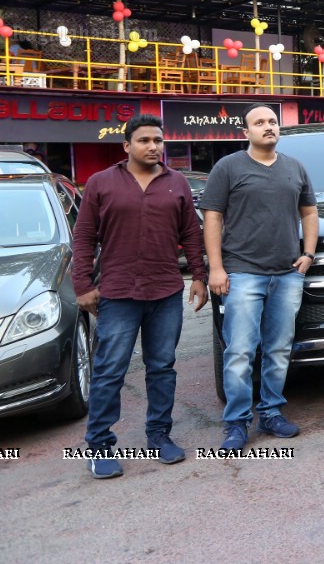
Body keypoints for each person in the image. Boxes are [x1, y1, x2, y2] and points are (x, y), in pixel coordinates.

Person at [71, 114, 208, 478]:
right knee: (109, 370)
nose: (153, 147)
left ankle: (159, 435)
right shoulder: (101, 184)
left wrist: (199, 276)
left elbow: (191, 235)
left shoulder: (175, 182)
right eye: (145, 140)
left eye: (158, 140)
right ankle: (99, 445)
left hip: (165, 291)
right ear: (127, 145)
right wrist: (82, 285)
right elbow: (84, 237)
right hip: (117, 293)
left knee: (161, 367)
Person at [201, 103, 318, 451]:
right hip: (241, 274)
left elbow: (309, 212)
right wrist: (216, 268)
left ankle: (271, 412)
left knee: (279, 349)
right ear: (245, 132)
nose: (268, 127)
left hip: (287, 274)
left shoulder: (294, 168)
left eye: (272, 121)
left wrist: (308, 253)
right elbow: (212, 219)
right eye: (259, 123)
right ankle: (236, 423)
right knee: (239, 352)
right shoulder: (228, 168)